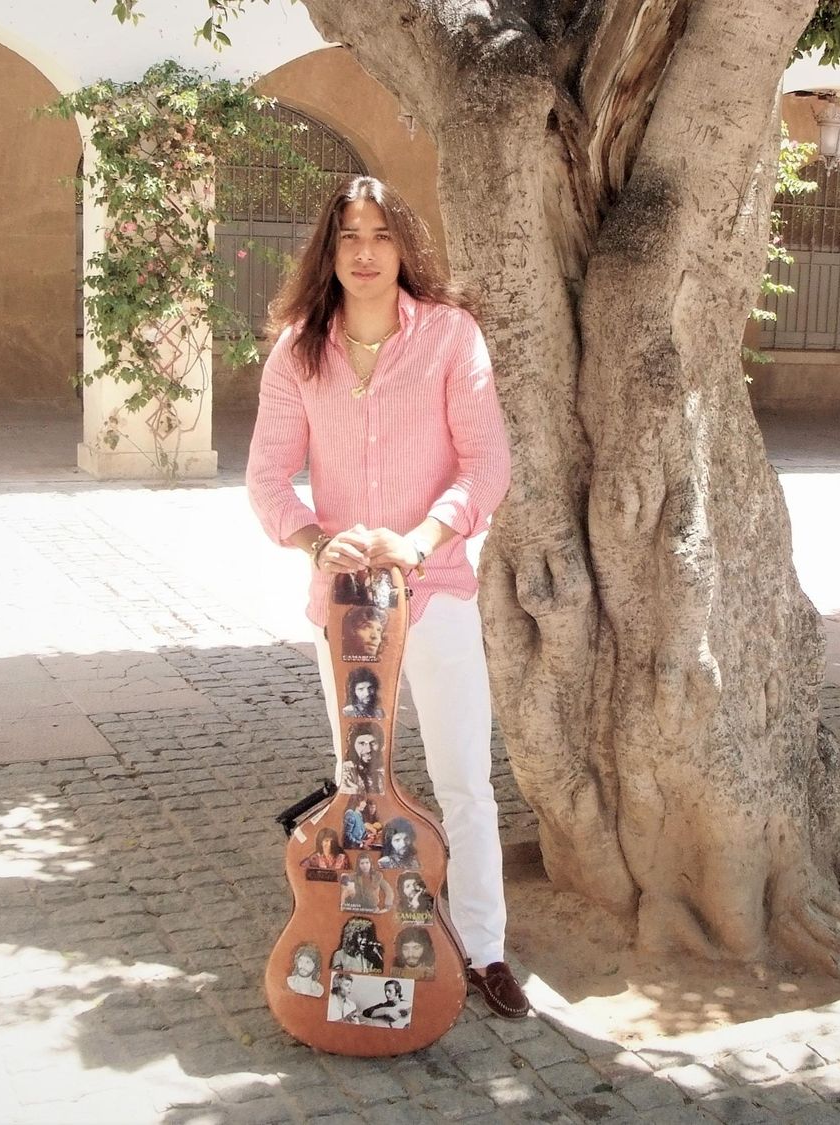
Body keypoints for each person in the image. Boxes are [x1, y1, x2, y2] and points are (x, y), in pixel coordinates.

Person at [248, 174, 528, 1020]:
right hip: (346, 610)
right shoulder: (300, 348)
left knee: (463, 778)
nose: (364, 253)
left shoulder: (450, 337)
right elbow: (267, 476)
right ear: (327, 252)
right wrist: (311, 538)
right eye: (347, 237)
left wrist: (423, 538)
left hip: (434, 593)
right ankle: (359, 936)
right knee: (356, 784)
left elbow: (489, 464)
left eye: (379, 235)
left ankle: (485, 948)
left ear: (403, 245)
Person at [339, 724, 383, 793]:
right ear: (353, 746)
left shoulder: (384, 768)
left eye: (373, 743)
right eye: (362, 743)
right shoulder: (348, 770)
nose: (368, 749)